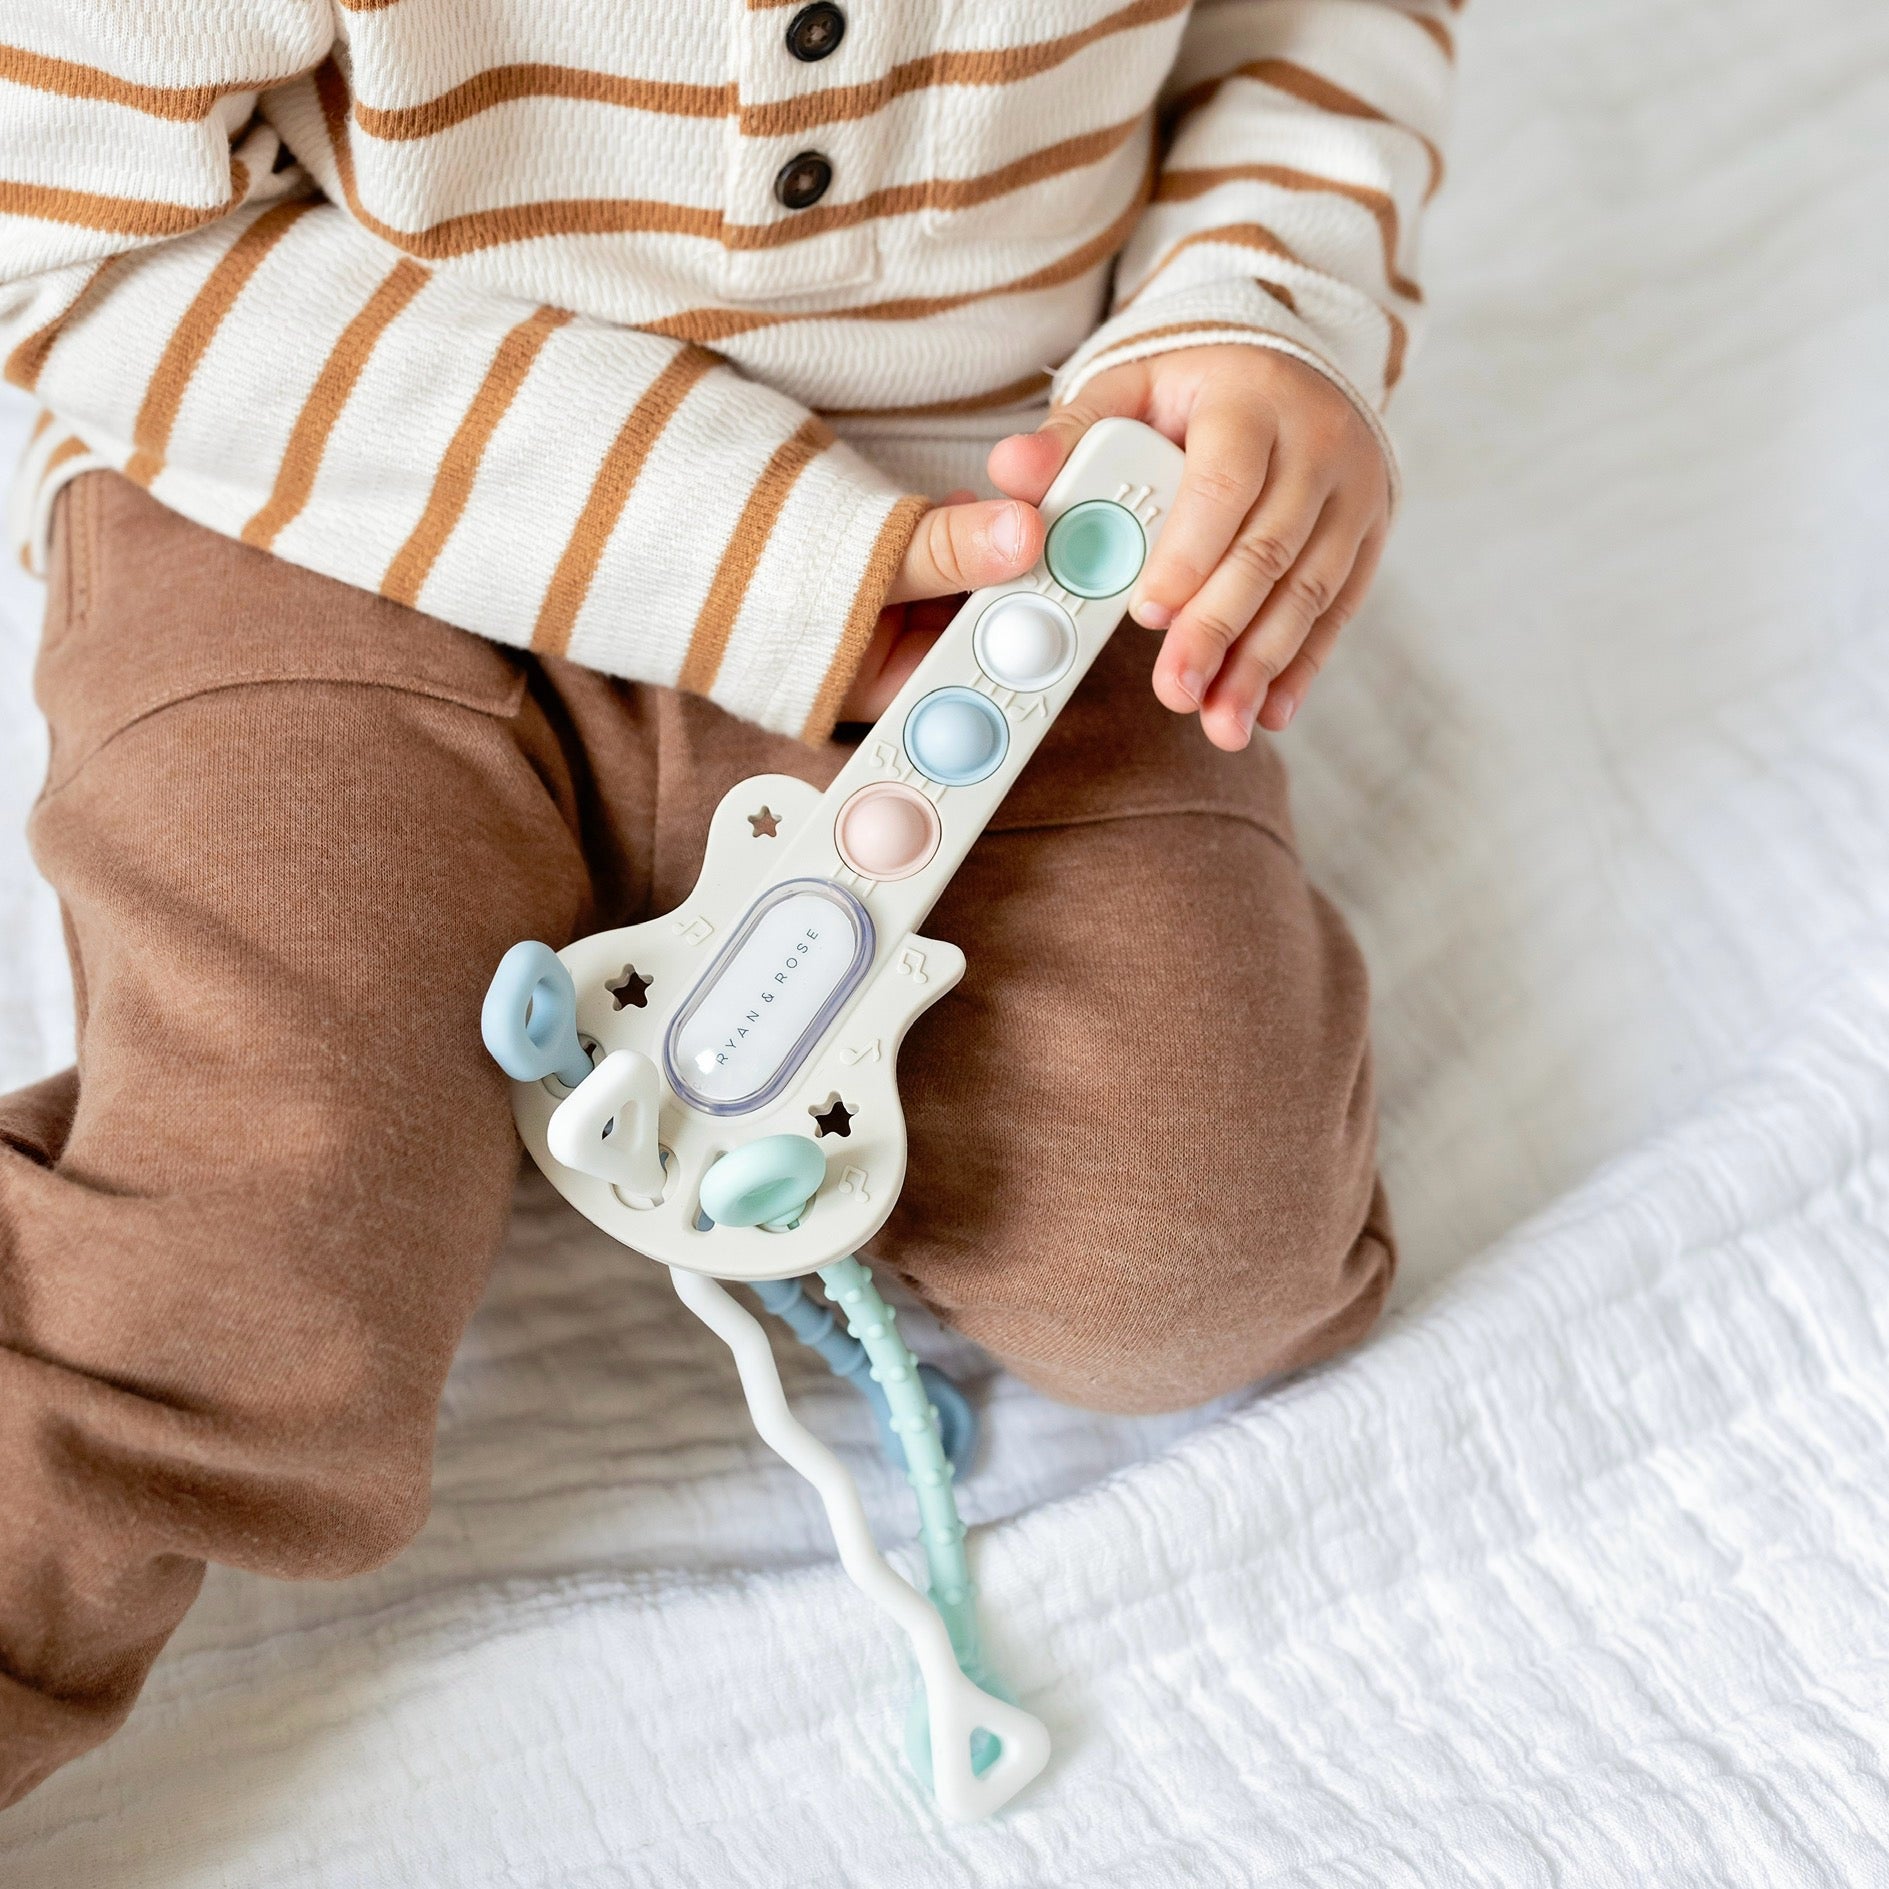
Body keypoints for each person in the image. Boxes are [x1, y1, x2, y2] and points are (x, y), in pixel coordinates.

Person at [0, 0, 1455, 1805]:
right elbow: (71, 233)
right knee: (243, 1264)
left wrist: (1258, 307)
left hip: (1003, 531)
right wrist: (756, 551)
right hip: (327, 499)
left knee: (1202, 1253)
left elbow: (1311, 33)